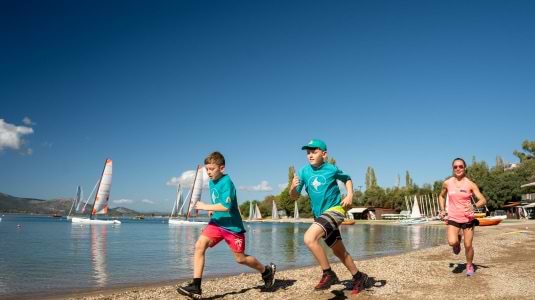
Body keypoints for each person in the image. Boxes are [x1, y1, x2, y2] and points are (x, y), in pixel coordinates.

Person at [177, 151, 276, 299]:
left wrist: (206, 206)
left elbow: (226, 206)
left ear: (221, 168)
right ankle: (196, 286)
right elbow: (219, 203)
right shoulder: (211, 182)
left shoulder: (227, 182)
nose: (209, 172)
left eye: (212, 169)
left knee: (240, 259)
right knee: (199, 245)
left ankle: (266, 271)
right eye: (207, 169)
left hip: (232, 227)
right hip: (217, 223)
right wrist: (212, 211)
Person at [289, 139, 368, 294]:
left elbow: (347, 179)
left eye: (314, 151)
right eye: (308, 152)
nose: (310, 155)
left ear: (324, 154)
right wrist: (292, 187)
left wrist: (350, 194)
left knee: (309, 238)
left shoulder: (331, 169)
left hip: (336, 210)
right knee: (339, 251)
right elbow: (294, 196)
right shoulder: (303, 172)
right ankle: (359, 277)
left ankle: (328, 273)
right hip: (320, 216)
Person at [438, 157, 487, 276]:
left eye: (460, 166)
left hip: (468, 218)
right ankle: (457, 241)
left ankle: (469, 265)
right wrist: (443, 209)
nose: (458, 168)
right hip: (453, 218)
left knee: (468, 245)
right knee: (451, 242)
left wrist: (474, 206)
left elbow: (483, 199)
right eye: (455, 167)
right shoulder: (447, 183)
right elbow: (441, 196)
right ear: (452, 168)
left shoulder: (470, 184)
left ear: (465, 168)